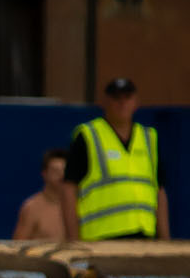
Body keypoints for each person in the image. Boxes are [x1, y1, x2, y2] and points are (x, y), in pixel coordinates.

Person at [61, 75, 170, 242]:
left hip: (144, 236)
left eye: (127, 97)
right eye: (116, 98)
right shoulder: (89, 135)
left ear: (136, 102)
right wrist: (74, 241)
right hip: (101, 238)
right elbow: (69, 189)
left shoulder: (149, 138)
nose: (122, 103)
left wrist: (165, 240)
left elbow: (159, 190)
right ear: (105, 102)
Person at [13, 148, 69, 242]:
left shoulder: (79, 205)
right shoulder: (32, 208)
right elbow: (18, 246)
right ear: (44, 174)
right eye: (55, 171)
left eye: (65, 170)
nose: (62, 175)